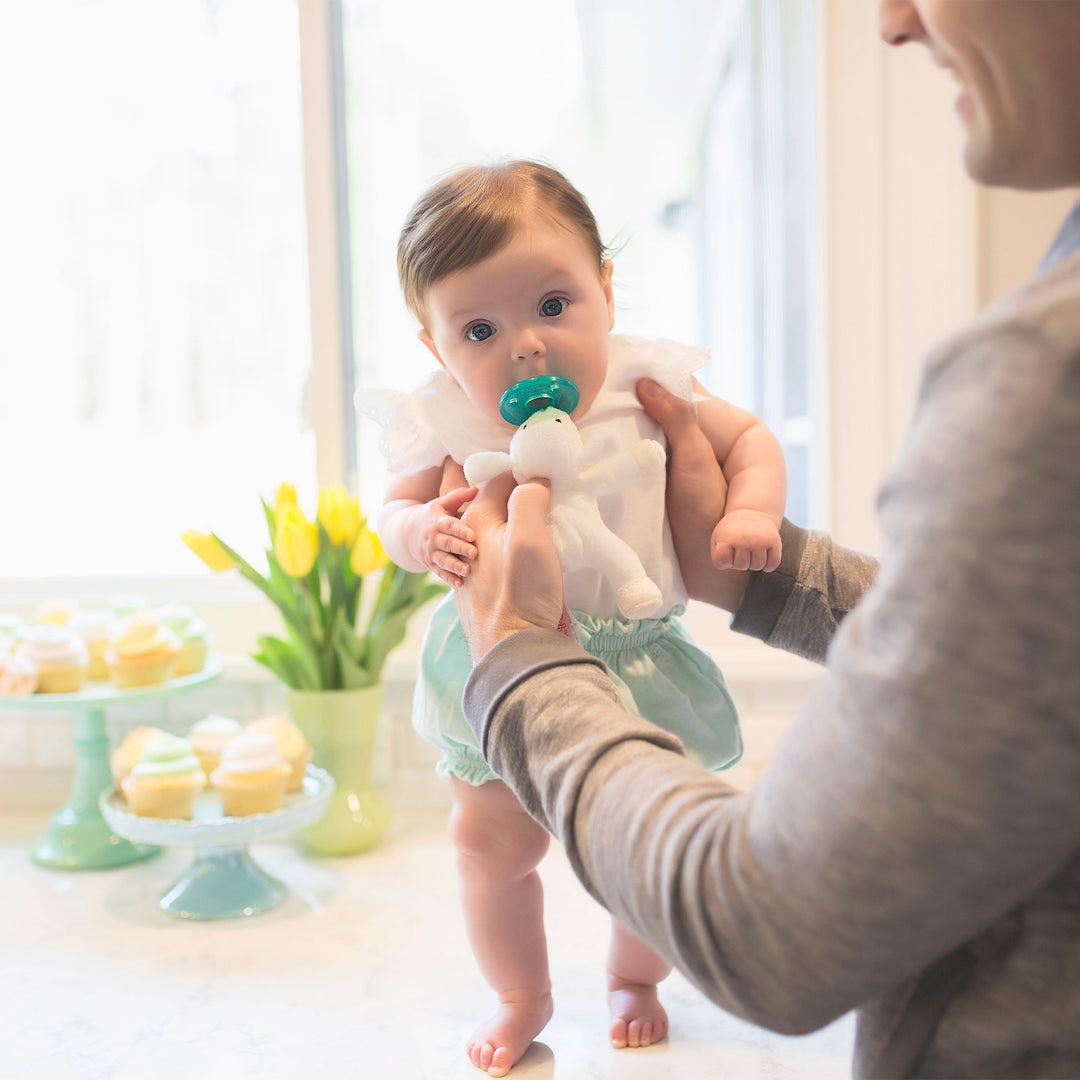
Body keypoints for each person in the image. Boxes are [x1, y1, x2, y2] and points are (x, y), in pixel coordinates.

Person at [451, 2, 1080, 1078]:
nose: (891, 21)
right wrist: (771, 573)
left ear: (609, 286)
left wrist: (520, 660)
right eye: (479, 327)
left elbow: (770, 931)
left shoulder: (1045, 380)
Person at [358, 159, 786, 1076]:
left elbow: (749, 440)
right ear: (437, 349)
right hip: (500, 656)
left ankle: (636, 977)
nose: (525, 348)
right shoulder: (446, 419)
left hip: (633, 657)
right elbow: (385, 512)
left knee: (645, 840)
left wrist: (748, 513)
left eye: (554, 306)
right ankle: (522, 993)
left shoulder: (648, 384)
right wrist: (419, 529)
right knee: (485, 843)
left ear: (606, 292)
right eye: (480, 328)